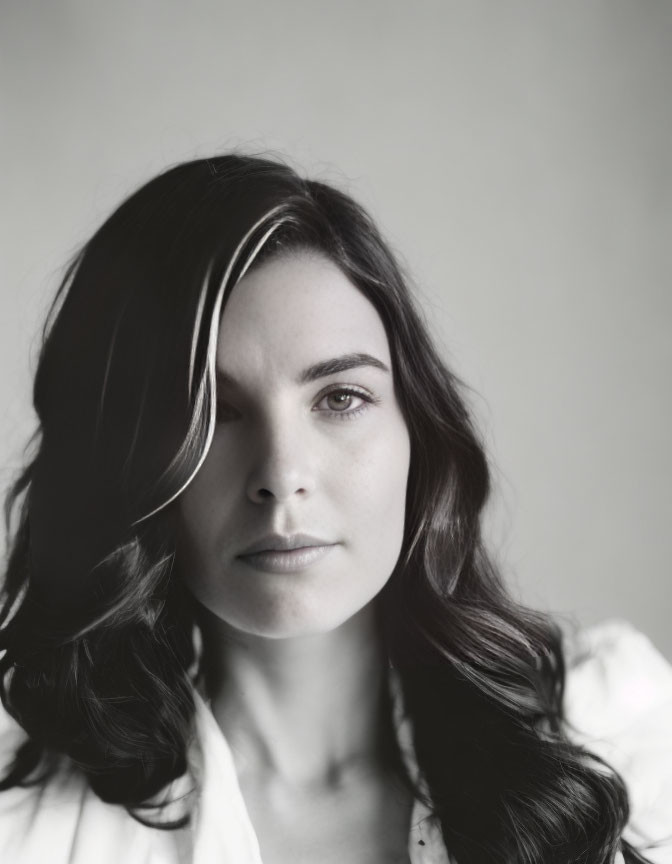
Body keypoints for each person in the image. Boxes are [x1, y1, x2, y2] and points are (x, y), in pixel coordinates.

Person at [0, 153, 670, 864]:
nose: (282, 475)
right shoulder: (23, 824)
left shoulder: (618, 735)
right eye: (212, 413)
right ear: (124, 460)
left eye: (340, 398)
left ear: (416, 425)